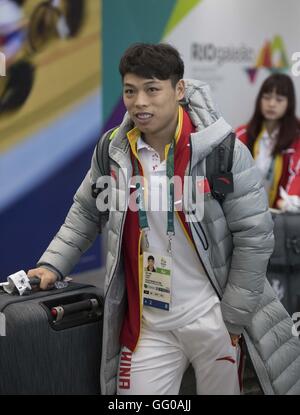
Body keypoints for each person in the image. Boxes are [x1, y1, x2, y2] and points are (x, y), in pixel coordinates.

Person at [28, 43, 300, 395]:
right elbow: (85, 210)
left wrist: (231, 317)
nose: (140, 102)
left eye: (152, 89)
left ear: (179, 89)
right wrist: (53, 264)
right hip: (148, 323)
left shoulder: (222, 150)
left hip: (213, 318)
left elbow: (255, 235)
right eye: (130, 91)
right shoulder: (113, 151)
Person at [236, 73, 300, 212]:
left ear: (289, 103)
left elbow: (297, 173)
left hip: (281, 216)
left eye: (279, 99)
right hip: (245, 214)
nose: (271, 104)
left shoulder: (297, 138)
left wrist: (290, 199)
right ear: (260, 100)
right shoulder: (242, 134)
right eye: (267, 98)